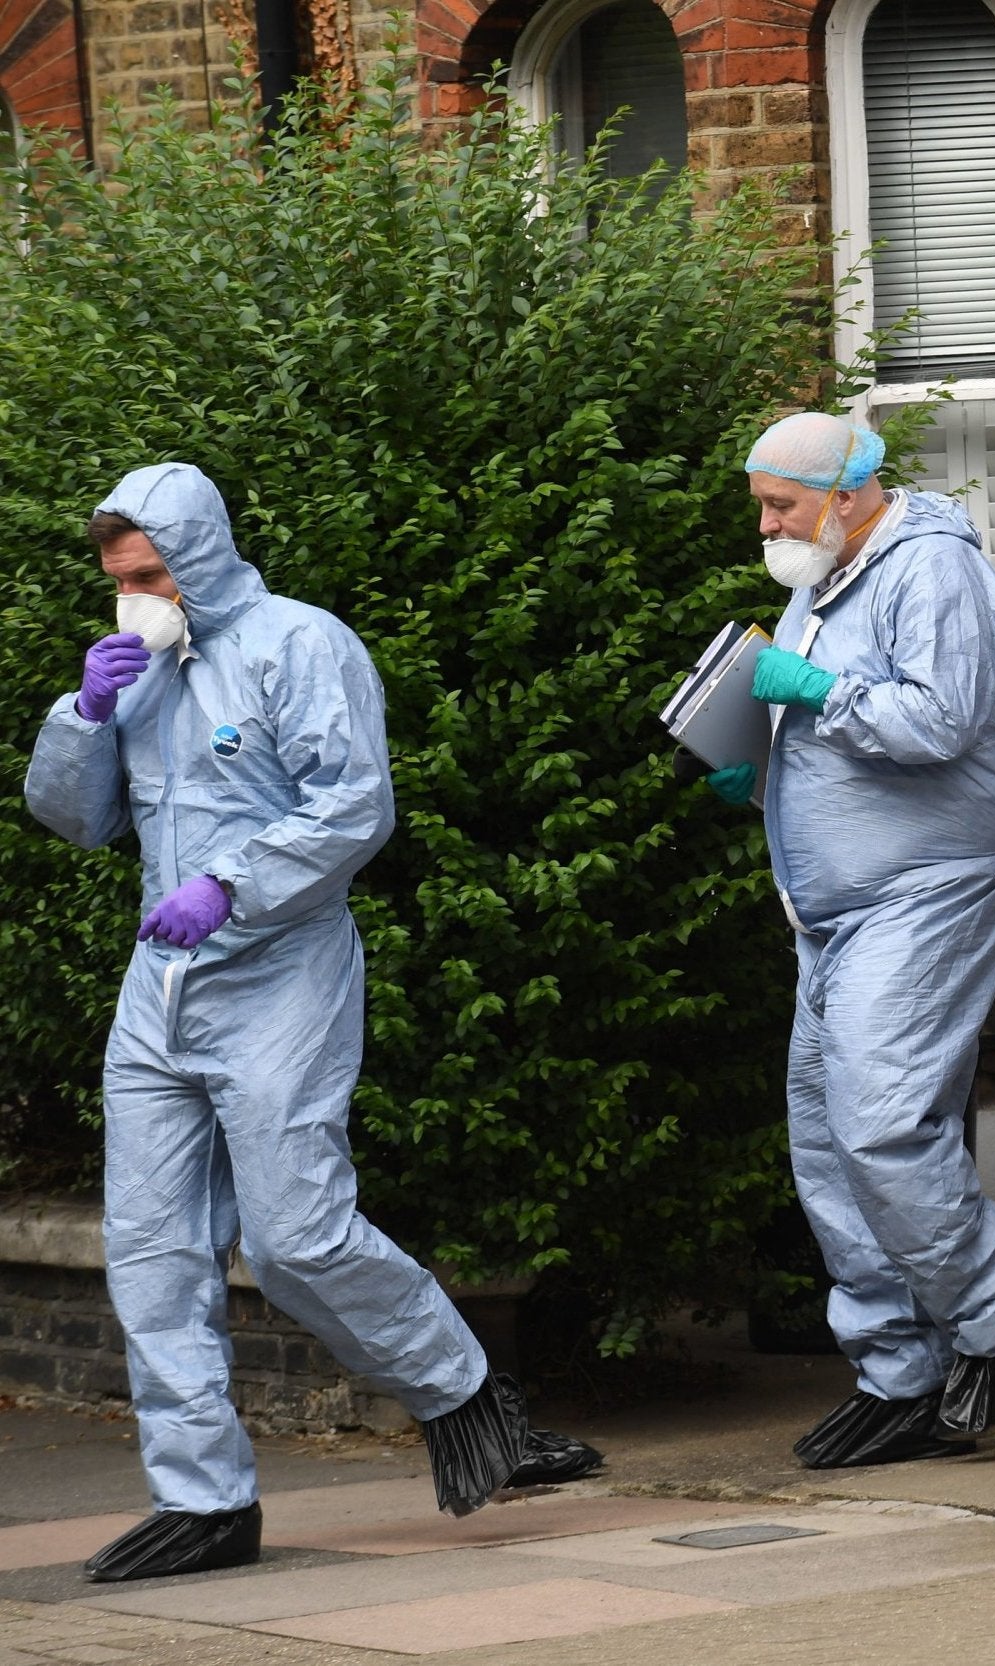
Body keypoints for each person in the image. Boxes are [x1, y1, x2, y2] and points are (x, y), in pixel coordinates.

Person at [24, 464, 600, 1584]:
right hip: (162, 987)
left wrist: (231, 883)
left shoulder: (301, 645)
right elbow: (76, 822)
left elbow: (354, 805)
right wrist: (82, 716)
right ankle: (203, 1502)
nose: (130, 598)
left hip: (279, 976)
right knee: (150, 1253)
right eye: (115, 581)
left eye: (147, 575)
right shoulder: (138, 668)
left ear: (195, 555)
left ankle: (472, 1399)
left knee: (296, 1237)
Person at [705, 412, 995, 1470]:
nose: (767, 524)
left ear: (851, 492)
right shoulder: (819, 574)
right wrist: (758, 760)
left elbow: (936, 722)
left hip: (927, 885)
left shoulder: (933, 571)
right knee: (825, 1137)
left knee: (878, 1120)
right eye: (762, 503)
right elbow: (825, 727)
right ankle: (897, 1372)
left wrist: (810, 688)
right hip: (834, 907)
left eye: (782, 504)